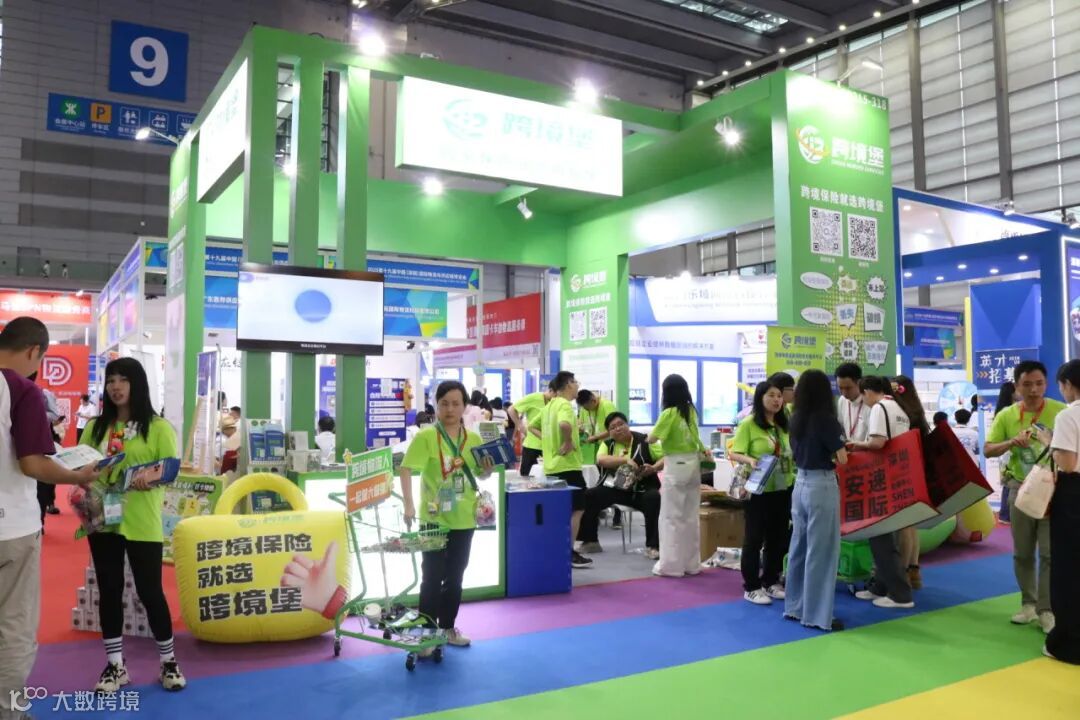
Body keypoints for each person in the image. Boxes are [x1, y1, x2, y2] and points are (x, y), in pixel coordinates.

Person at [0, 318, 97, 719]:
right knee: (13, 627)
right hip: (10, 528)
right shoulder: (21, 390)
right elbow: (33, 463)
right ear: (34, 351)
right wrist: (78, 476)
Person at [80, 356, 186, 692]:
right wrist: (84, 477)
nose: (115, 386)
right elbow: (80, 466)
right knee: (109, 591)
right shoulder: (95, 427)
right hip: (103, 521)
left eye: (123, 379)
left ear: (137, 384)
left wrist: (149, 477)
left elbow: (170, 469)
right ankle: (115, 666)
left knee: (150, 591)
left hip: (143, 521)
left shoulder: (158, 427)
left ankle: (168, 662)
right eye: (111, 379)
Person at [400, 381, 495, 651]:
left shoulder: (473, 439)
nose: (450, 409)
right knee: (431, 577)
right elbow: (405, 469)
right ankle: (427, 635)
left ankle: (448, 628)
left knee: (455, 577)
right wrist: (408, 504)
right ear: (436, 405)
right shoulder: (427, 437)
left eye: (455, 403)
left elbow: (481, 474)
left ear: (465, 406)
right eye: (444, 404)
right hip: (433, 519)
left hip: (464, 519)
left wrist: (487, 469)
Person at [984, 361, 1065, 632]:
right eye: (1027, 384)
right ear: (1017, 387)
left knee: (1050, 553)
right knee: (1022, 552)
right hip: (1020, 489)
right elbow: (988, 449)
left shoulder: (1061, 411)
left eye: (1039, 383)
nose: (1034, 390)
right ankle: (1028, 604)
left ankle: (1047, 609)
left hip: (1054, 489)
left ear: (1047, 384)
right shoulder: (1007, 415)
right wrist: (1011, 442)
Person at [785, 369, 848, 632]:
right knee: (821, 551)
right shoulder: (827, 420)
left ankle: (795, 606)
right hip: (821, 485)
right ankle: (817, 615)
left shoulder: (795, 418)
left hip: (799, 483)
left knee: (799, 547)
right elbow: (843, 458)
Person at [848, 376, 918, 608]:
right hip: (898, 476)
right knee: (885, 536)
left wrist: (856, 444)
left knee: (881, 538)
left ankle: (900, 594)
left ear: (868, 391)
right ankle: (880, 586)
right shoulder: (899, 407)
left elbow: (878, 442)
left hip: (882, 478)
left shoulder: (879, 407)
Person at [729, 380, 794, 606]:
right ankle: (751, 586)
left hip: (782, 486)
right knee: (754, 537)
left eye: (779, 396)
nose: (776, 400)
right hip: (758, 489)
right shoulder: (749, 424)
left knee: (777, 536)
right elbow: (734, 453)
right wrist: (750, 460)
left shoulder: (783, 425)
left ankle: (770, 580)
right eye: (771, 395)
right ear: (760, 398)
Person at [648, 373, 710, 578]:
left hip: (676, 465)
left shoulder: (669, 413)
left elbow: (652, 439)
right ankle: (692, 564)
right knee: (690, 516)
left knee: (671, 517)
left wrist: (649, 435)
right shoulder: (691, 411)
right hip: (694, 464)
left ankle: (672, 566)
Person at [577, 412, 662, 559]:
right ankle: (591, 541)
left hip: (642, 489)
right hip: (615, 488)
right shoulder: (607, 444)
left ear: (627, 424)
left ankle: (653, 546)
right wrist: (625, 461)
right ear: (609, 432)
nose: (617, 429)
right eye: (612, 427)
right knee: (590, 495)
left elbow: (665, 458)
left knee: (653, 497)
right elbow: (601, 460)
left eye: (620, 424)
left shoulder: (645, 440)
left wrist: (653, 468)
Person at [1046, 359, 1080, 663]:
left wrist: (1051, 444)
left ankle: (1068, 641)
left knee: (1069, 567)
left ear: (1068, 384)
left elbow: (1067, 463)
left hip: (1074, 495)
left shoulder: (1068, 416)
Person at [542, 371, 593, 568]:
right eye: (575, 382)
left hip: (551, 466)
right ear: (568, 384)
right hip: (567, 465)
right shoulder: (563, 404)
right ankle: (569, 552)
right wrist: (568, 441)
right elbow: (564, 424)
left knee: (561, 511)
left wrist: (553, 443)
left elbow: (531, 427)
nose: (578, 385)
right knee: (577, 509)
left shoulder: (548, 407)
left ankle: (557, 550)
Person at [892, 375, 932, 590]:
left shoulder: (899, 413)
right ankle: (914, 571)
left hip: (903, 471)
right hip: (919, 470)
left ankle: (903, 573)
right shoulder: (918, 413)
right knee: (912, 524)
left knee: (903, 525)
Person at [507, 384, 553, 478]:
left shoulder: (554, 403)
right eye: (556, 394)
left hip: (549, 447)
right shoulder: (534, 398)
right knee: (527, 479)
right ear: (551, 390)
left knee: (547, 479)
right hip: (532, 447)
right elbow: (511, 409)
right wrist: (520, 425)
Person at [994, 381, 1019, 524]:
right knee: (1010, 482)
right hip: (1009, 451)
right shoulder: (1009, 411)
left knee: (1008, 482)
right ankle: (1006, 514)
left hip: (1005, 450)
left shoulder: (1002, 410)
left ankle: (1005, 514)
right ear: (1012, 392)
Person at [836, 363, 868, 445]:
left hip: (867, 450)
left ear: (859, 383)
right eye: (840, 388)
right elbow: (841, 428)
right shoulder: (842, 400)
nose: (844, 393)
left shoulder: (870, 402)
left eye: (848, 388)